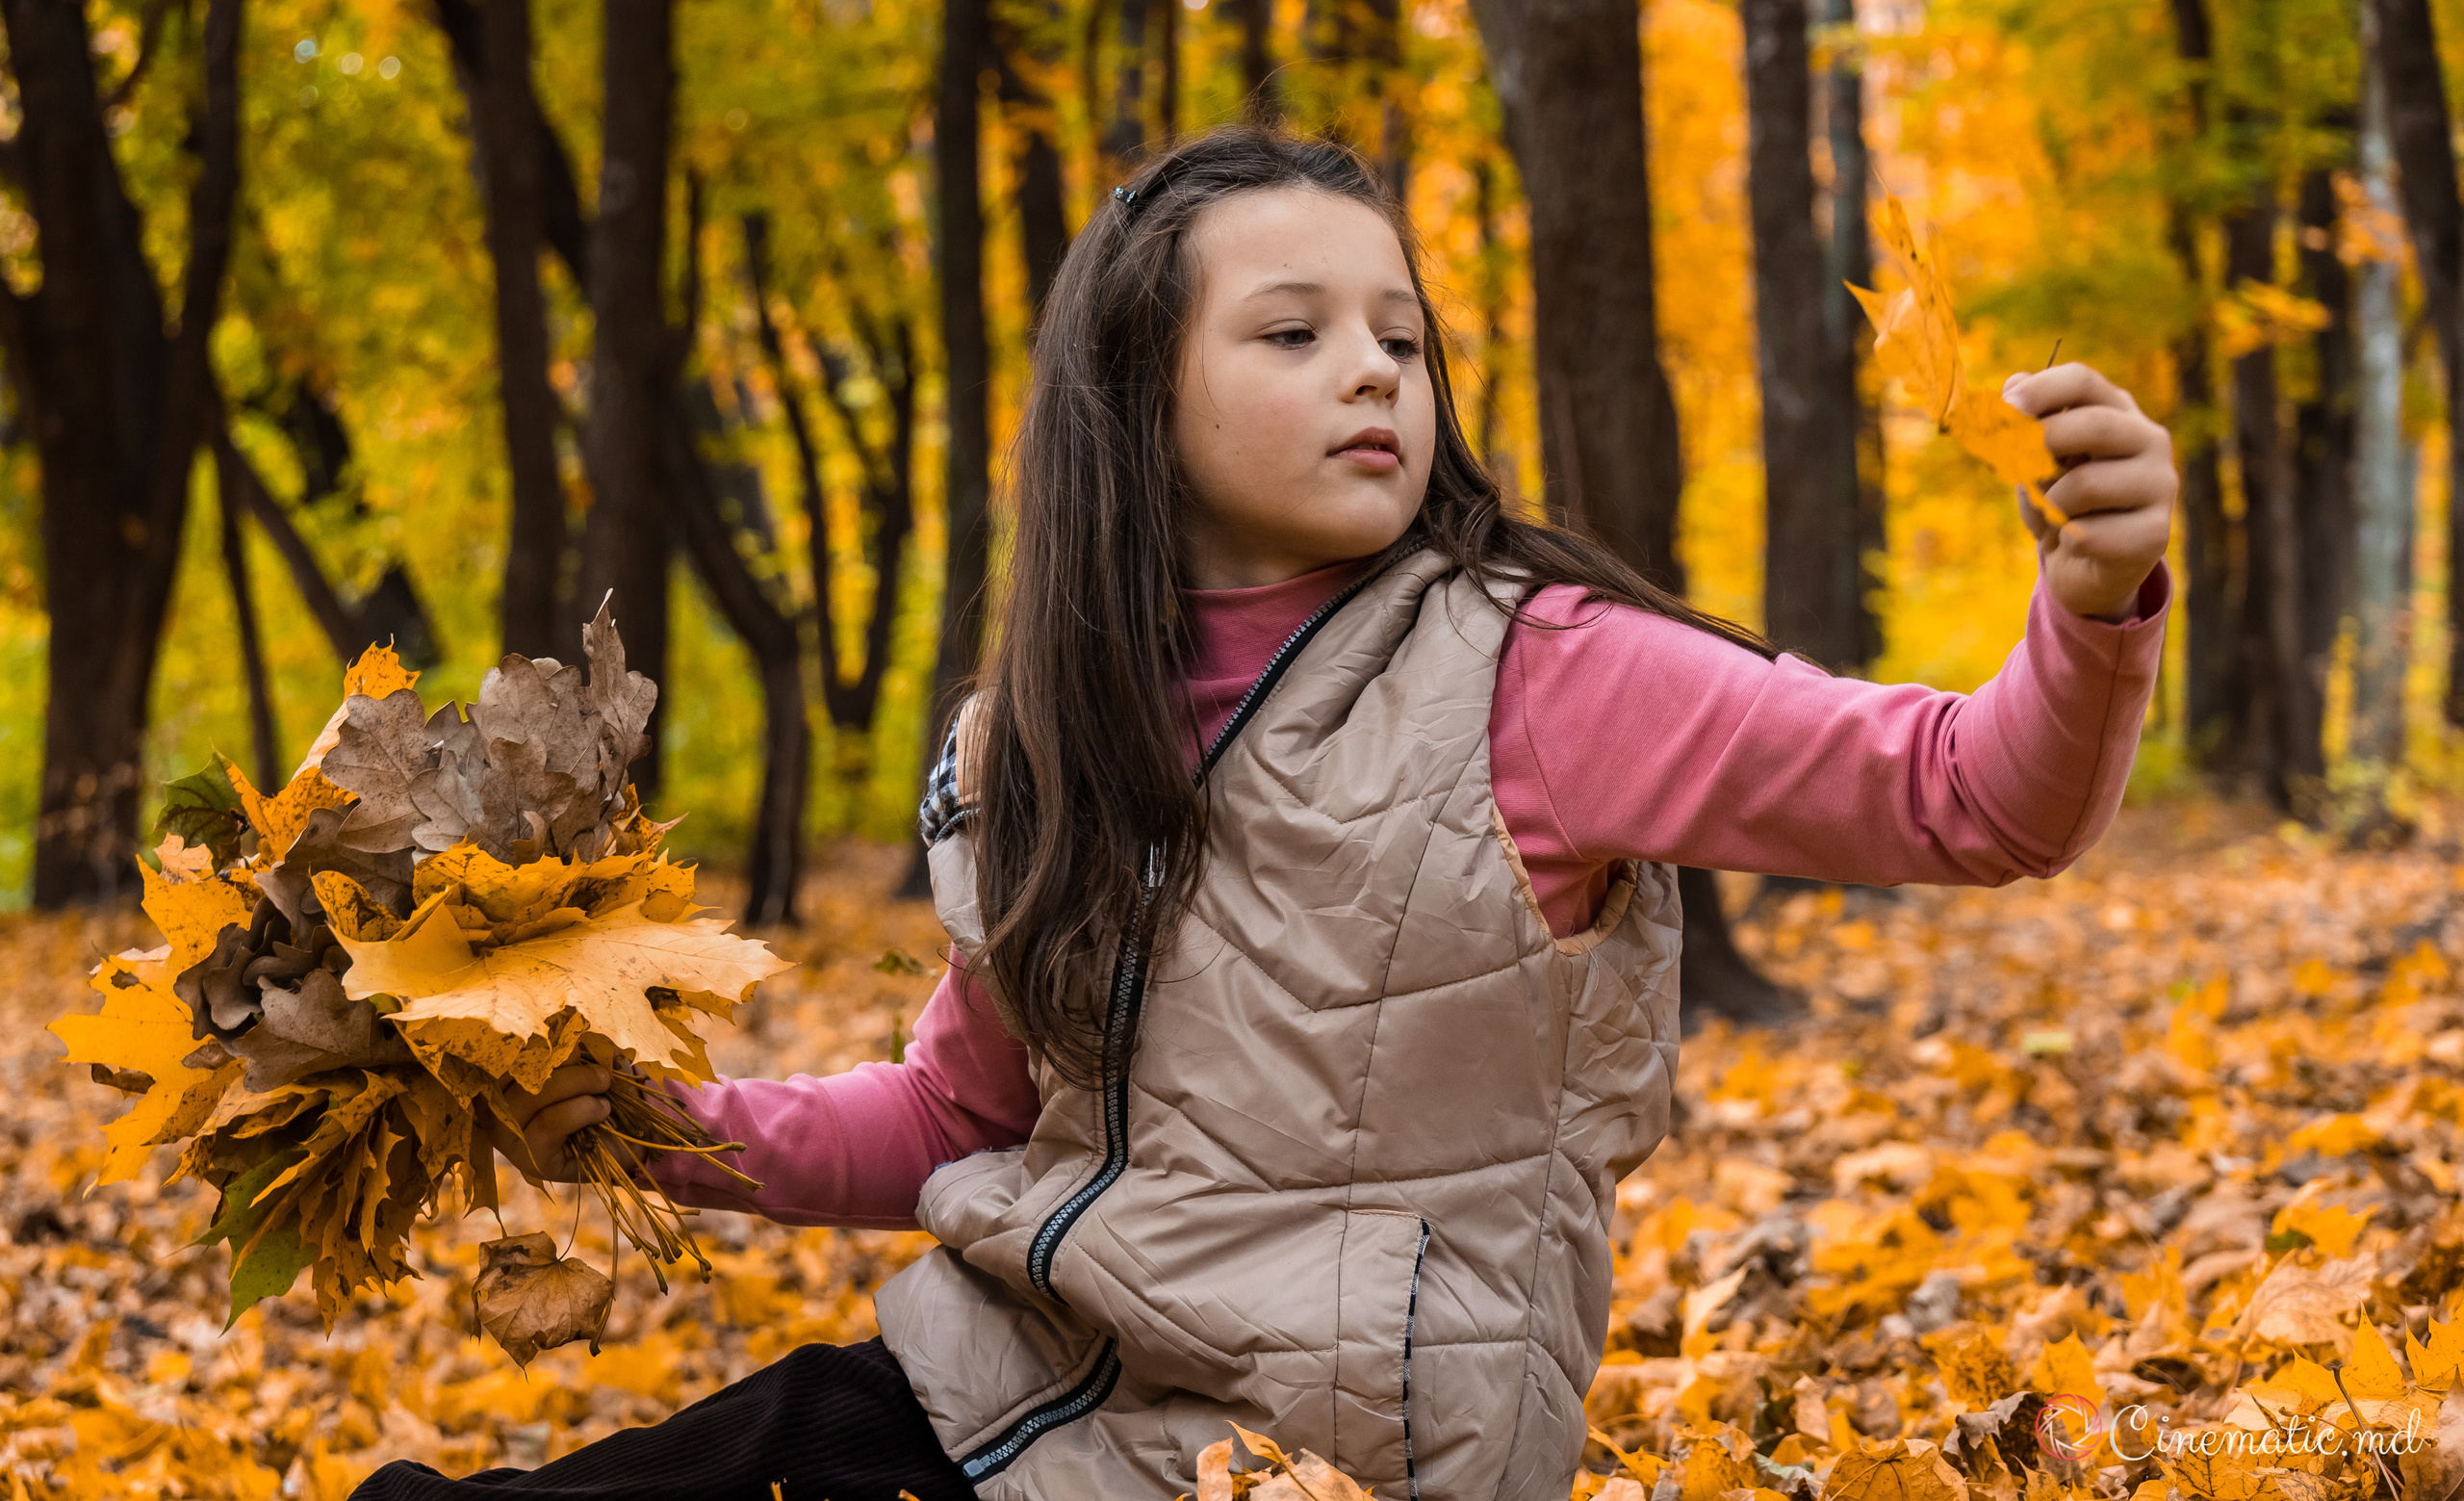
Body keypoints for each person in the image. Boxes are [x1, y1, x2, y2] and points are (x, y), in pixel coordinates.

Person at [358, 126, 2175, 1501]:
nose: (1377, 369)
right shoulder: (1032, 745)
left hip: (1327, 1459)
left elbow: (1966, 795)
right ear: (1136, 406)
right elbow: (953, 1114)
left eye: (1401, 333)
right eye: (1294, 333)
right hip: (1003, 1397)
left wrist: (2093, 607)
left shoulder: (1539, 671)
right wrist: (629, 1119)